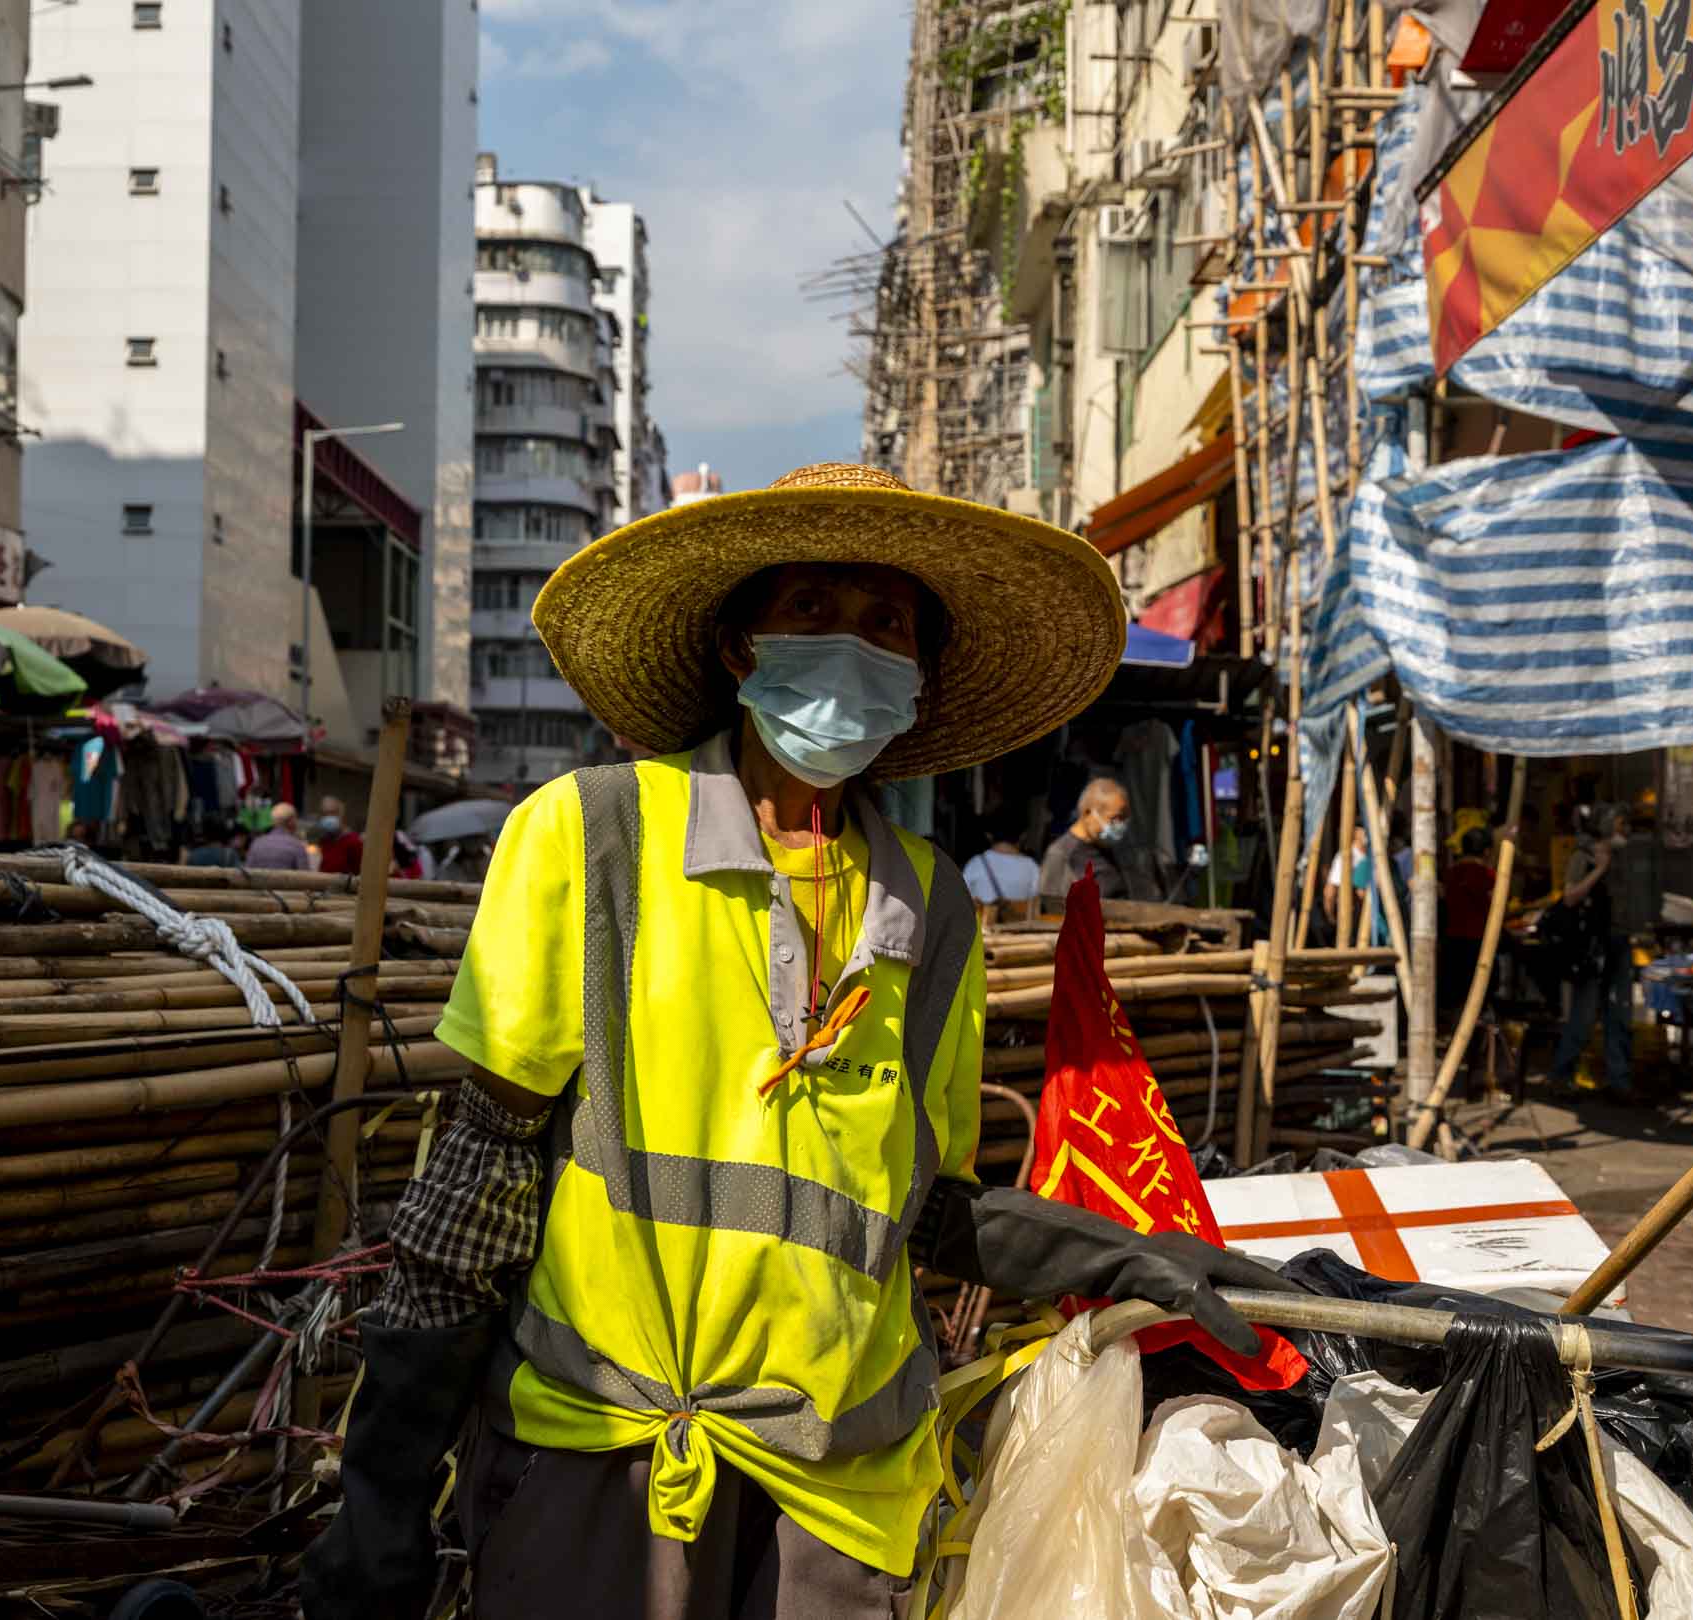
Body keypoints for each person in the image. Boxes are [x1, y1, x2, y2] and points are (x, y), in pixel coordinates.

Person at [302, 462, 1281, 1620]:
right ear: (738, 643)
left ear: (917, 679)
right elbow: (475, 1190)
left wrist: (1120, 1254)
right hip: (609, 1465)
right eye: (811, 609)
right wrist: (383, 1498)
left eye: (886, 625)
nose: (852, 647)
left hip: (839, 1491)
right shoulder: (589, 838)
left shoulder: (929, 902)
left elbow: (908, 1206)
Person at [1547, 801, 1633, 1097]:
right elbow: (1570, 896)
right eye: (1621, 823)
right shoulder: (1583, 855)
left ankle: (1619, 1081)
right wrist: (1599, 869)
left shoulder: (1622, 855)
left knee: (1619, 1013)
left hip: (1619, 942)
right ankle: (1561, 1074)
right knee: (1584, 1015)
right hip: (1593, 947)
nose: (1626, 829)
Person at [1036, 777, 1132, 905]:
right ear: (1088, 813)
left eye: (1123, 818)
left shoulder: (1104, 847)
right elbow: (1049, 908)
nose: (1120, 825)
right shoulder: (1061, 854)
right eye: (1115, 818)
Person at [1440, 825, 1498, 1010]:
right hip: (1479, 944)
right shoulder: (1488, 875)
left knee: (1456, 998)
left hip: (1452, 942)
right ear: (1487, 852)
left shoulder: (1450, 873)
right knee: (1478, 998)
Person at [962, 811, 1041, 908]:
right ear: (1023, 835)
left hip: (982, 922)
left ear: (988, 835)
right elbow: (1035, 904)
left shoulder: (975, 864)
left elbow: (961, 901)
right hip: (1017, 922)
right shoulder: (1032, 867)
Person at [244, 802, 311, 871]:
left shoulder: (257, 843)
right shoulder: (297, 846)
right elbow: (305, 875)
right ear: (291, 821)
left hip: (261, 881)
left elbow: (248, 872)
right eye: (296, 818)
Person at [313, 794, 364, 875]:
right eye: (325, 814)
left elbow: (359, 871)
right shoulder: (325, 839)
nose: (328, 817)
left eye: (332, 813)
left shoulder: (353, 841)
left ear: (341, 814)